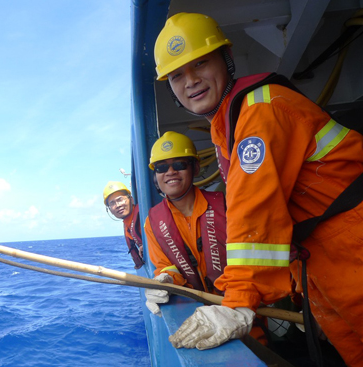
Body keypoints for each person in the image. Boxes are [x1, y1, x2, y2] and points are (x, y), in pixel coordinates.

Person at [153, 12, 363, 366]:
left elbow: (256, 210)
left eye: (200, 63)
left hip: (351, 251)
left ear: (227, 58)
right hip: (322, 265)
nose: (190, 81)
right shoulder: (227, 128)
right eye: (176, 76)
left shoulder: (259, 111)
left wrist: (237, 304)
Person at [143, 131, 227, 317]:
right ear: (156, 175)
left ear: (195, 168)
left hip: (240, 308)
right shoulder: (153, 223)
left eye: (180, 164)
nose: (170, 172)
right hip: (195, 314)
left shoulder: (227, 206)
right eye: (161, 167)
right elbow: (165, 266)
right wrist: (166, 280)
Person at [103, 181, 144, 269]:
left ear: (131, 199)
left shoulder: (143, 216)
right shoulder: (127, 224)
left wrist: (149, 246)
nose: (117, 205)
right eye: (112, 203)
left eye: (120, 199)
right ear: (109, 210)